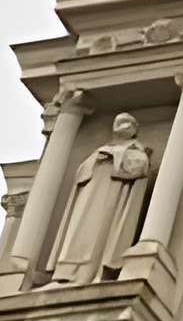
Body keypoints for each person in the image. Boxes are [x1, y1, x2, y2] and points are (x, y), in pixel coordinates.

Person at [48, 113, 150, 283]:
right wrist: (96, 161)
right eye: (120, 122)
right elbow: (81, 174)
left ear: (135, 130)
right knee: (78, 233)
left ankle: (91, 273)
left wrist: (115, 158)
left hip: (111, 197)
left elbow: (140, 167)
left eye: (128, 123)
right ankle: (66, 275)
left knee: (99, 236)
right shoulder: (100, 150)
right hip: (89, 196)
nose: (124, 126)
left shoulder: (136, 150)